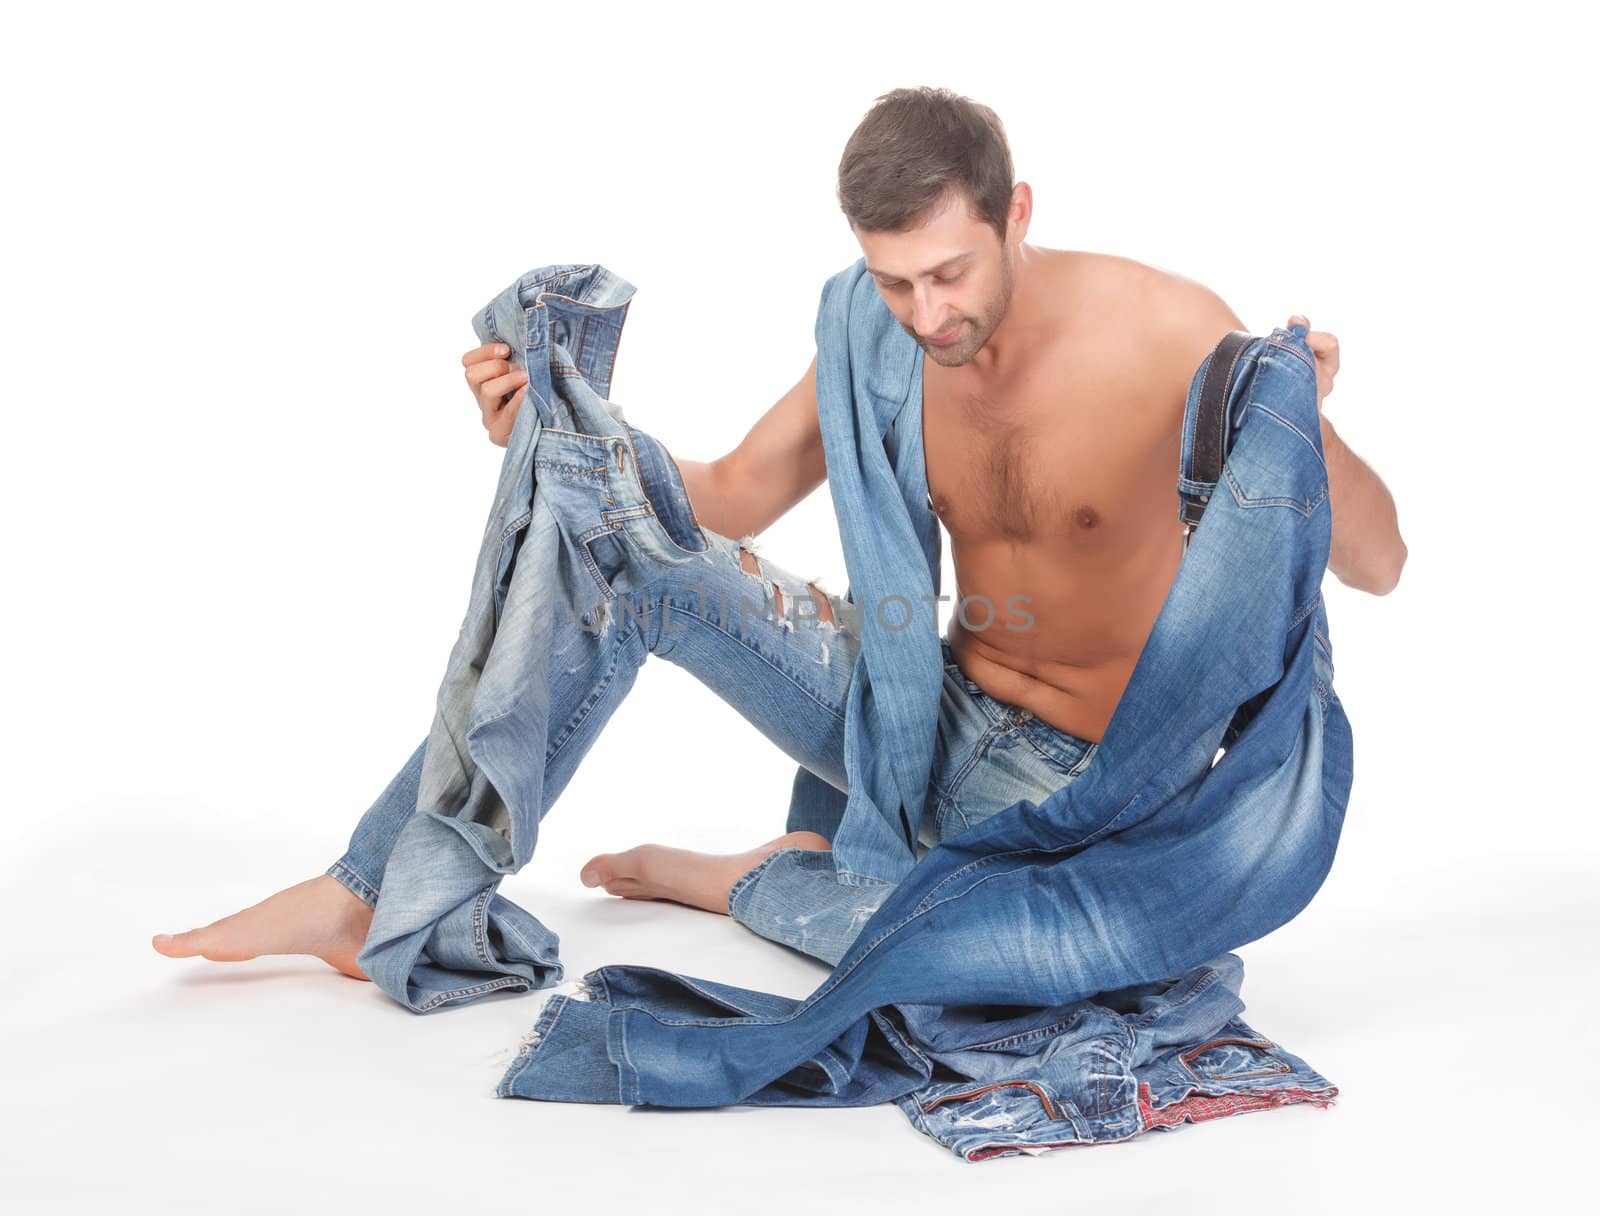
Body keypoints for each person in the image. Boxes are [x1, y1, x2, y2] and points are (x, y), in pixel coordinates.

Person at [151, 86, 1405, 982]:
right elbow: (735, 494)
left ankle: (754, 875)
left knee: (1002, 966)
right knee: (623, 556)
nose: (927, 312)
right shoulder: (873, 326)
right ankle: (371, 887)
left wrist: (1306, 425)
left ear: (1016, 210)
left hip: (1073, 792)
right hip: (912, 721)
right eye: (897, 279)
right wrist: (554, 432)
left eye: (952, 272)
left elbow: (1378, 564)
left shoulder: (1170, 334)